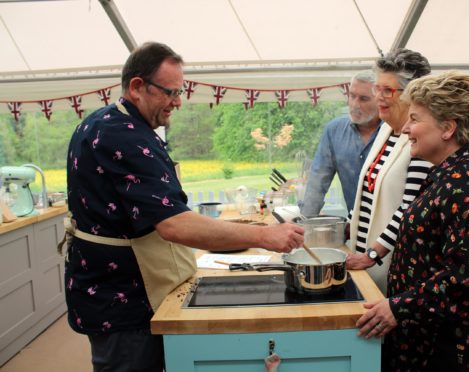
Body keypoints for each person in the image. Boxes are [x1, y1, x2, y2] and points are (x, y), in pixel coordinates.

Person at [63, 42, 304, 372]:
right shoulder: (123, 136)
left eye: (180, 92)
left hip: (119, 285)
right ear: (137, 87)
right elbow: (175, 224)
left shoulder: (108, 122)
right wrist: (264, 236)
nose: (177, 102)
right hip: (123, 295)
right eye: (170, 92)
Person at [355, 71, 469, 371]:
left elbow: (467, 276)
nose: (406, 130)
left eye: (415, 119)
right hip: (430, 339)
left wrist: (398, 307)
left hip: (455, 350)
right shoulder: (447, 172)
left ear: (448, 128)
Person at [346, 49, 432, 294]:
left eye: (388, 91)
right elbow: (371, 190)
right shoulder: (386, 130)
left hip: (393, 266)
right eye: (377, 88)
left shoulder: (418, 140)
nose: (379, 97)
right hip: (366, 260)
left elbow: (409, 207)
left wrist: (373, 254)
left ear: (412, 94)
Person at [300, 70, 382, 217]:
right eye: (352, 96)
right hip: (355, 228)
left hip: (392, 230)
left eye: (364, 99)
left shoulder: (393, 131)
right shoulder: (334, 131)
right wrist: (305, 223)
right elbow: (317, 182)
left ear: (379, 100)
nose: (355, 104)